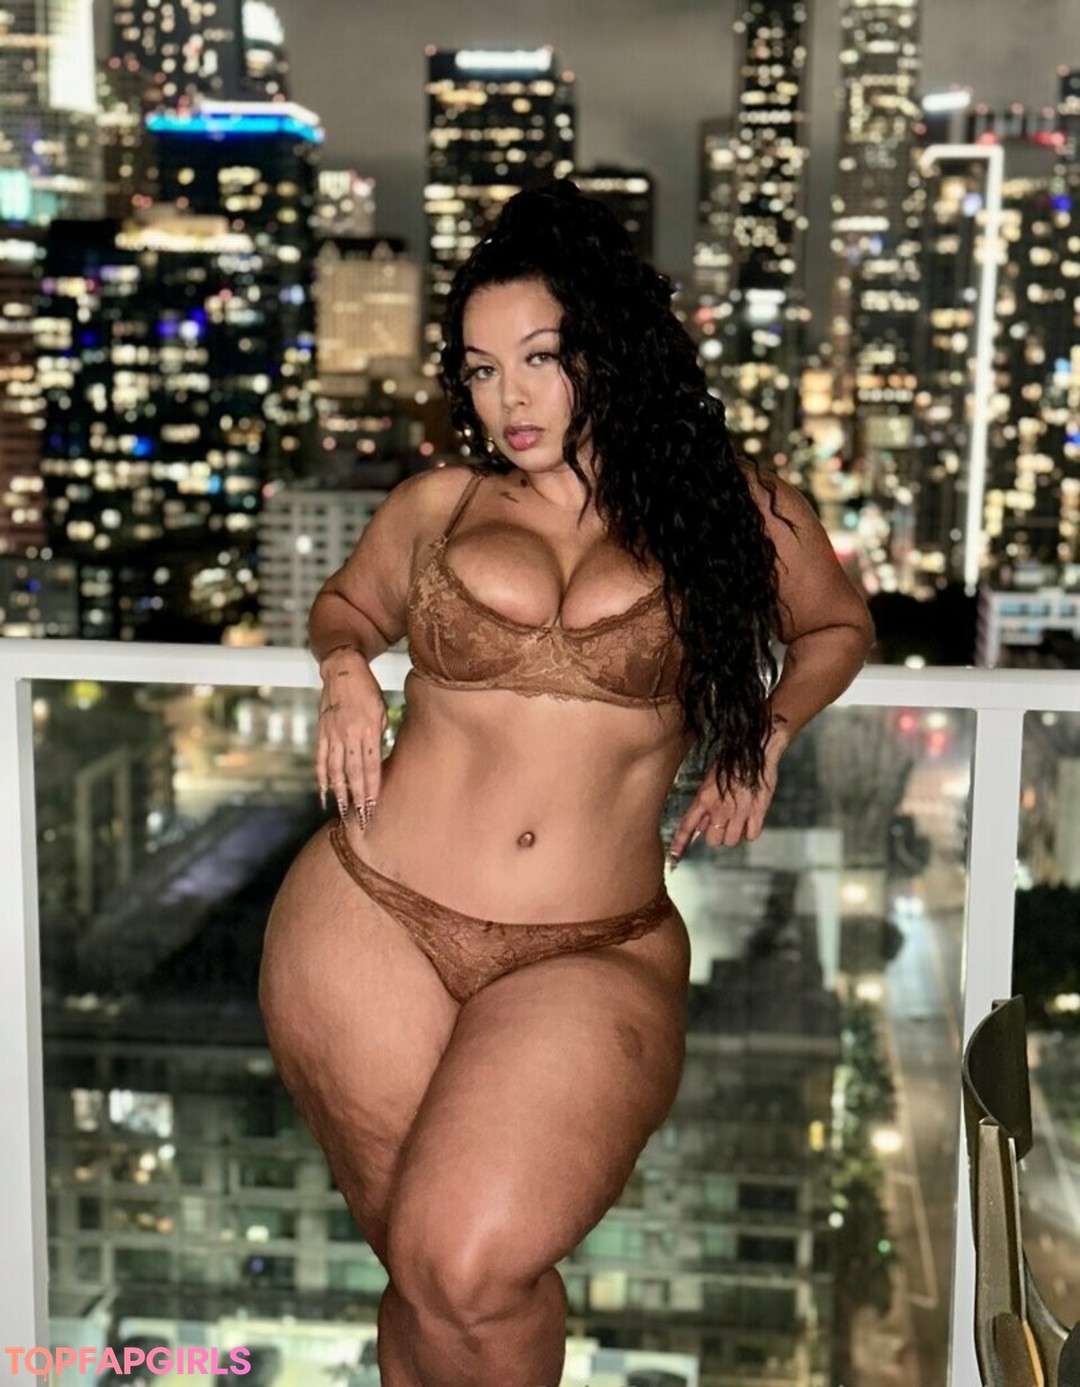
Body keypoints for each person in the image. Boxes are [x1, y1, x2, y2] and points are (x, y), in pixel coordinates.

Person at [258, 179, 874, 1387]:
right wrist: (344, 672)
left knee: (469, 1265)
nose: (511, 399)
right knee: (422, 1274)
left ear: (609, 348)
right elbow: (347, 605)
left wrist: (767, 731)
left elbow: (838, 627)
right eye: (482, 370)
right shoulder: (440, 503)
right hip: (368, 916)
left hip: (591, 944)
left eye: (539, 358)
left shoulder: (733, 509)